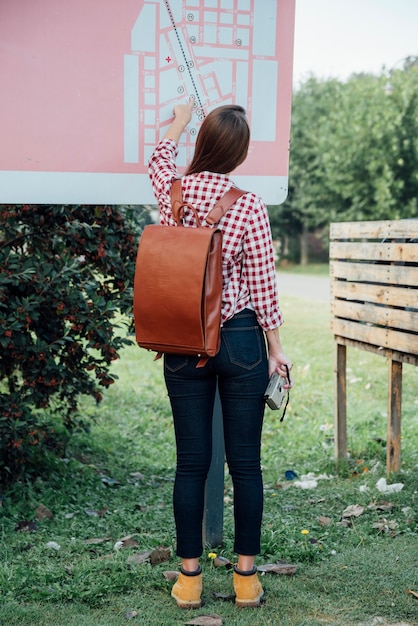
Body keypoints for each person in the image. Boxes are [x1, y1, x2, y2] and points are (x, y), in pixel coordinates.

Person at [148, 99, 293, 609]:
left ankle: (189, 581)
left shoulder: (174, 194)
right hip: (241, 341)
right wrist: (276, 352)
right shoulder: (248, 205)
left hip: (185, 344)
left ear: (203, 144)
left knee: (191, 464)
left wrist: (178, 123)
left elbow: (159, 161)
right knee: (246, 465)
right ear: (240, 154)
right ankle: (246, 581)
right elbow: (263, 286)